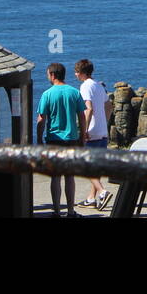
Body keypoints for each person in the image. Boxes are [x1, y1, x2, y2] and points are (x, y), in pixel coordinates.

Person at [36, 63, 87, 217]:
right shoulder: (74, 93)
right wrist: (82, 136)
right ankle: (71, 211)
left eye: (47, 74)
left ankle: (57, 211)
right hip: (72, 138)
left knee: (55, 177)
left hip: (53, 139)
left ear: (52, 75)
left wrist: (39, 139)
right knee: (70, 176)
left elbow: (41, 120)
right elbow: (82, 117)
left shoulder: (47, 94)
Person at [73, 59, 112, 210]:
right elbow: (109, 105)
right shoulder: (99, 86)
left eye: (76, 72)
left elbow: (88, 109)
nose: (75, 75)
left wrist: (84, 130)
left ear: (81, 73)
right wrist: (105, 121)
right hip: (102, 130)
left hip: (92, 131)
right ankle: (91, 198)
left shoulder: (85, 87)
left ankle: (102, 191)